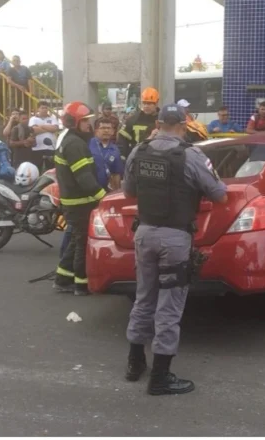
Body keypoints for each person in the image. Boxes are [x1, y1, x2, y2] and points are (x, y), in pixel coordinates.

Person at [122, 104, 227, 395]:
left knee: (143, 298)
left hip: (144, 233)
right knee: (169, 306)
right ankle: (160, 377)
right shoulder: (191, 155)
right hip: (175, 238)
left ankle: (134, 363)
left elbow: (129, 191)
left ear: (157, 123)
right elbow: (220, 194)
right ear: (183, 125)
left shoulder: (138, 151)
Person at [52, 101, 106, 296]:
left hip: (74, 202)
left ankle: (62, 279)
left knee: (76, 241)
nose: (88, 125)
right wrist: (104, 197)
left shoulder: (69, 140)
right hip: (80, 203)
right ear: (73, 122)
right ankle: (81, 285)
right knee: (83, 243)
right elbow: (84, 178)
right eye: (84, 121)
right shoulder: (75, 144)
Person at [118, 87, 160, 159]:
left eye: (149, 103)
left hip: (158, 157)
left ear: (156, 103)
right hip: (138, 157)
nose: (146, 106)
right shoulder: (133, 119)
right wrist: (123, 157)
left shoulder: (163, 119)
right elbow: (122, 140)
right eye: (144, 103)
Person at [89, 120, 124, 191]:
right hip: (89, 189)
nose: (106, 130)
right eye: (103, 128)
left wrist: (116, 192)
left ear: (113, 132)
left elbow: (116, 174)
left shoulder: (115, 150)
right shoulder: (88, 144)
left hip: (105, 190)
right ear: (96, 131)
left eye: (109, 128)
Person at [29, 100, 59, 172]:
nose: (44, 110)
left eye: (46, 108)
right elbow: (34, 130)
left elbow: (55, 129)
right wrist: (49, 128)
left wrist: (41, 126)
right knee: (37, 170)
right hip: (37, 149)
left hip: (50, 148)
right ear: (38, 109)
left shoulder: (52, 118)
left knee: (50, 170)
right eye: (42, 108)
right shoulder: (33, 119)